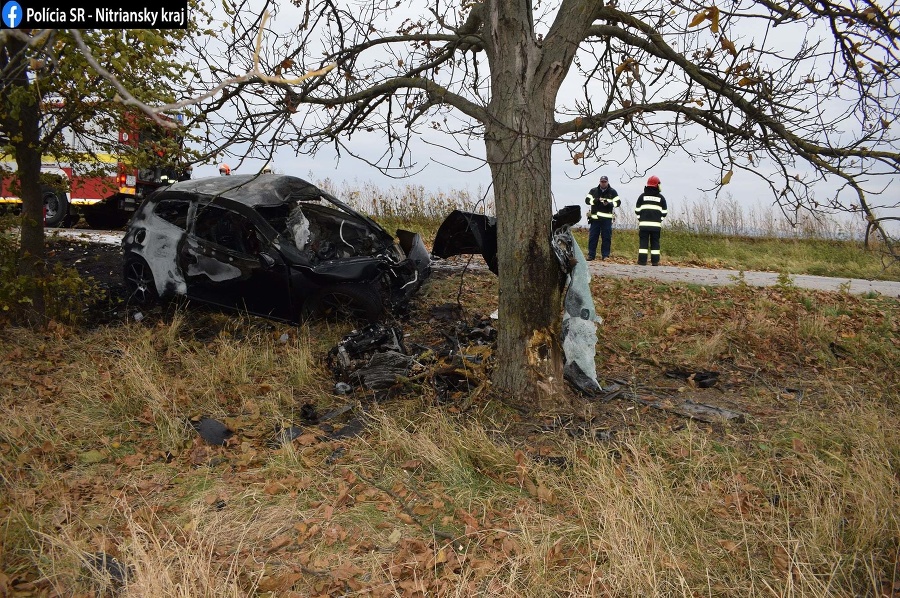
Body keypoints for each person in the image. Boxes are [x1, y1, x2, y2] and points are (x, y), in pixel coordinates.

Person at [584, 175, 620, 260]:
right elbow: (587, 201)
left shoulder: (612, 192)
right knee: (593, 237)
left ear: (607, 182)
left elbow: (618, 203)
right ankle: (591, 255)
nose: (603, 183)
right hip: (595, 219)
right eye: (602, 182)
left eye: (605, 182)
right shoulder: (593, 191)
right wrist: (596, 200)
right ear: (599, 182)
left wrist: (609, 204)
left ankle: (605, 255)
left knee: (606, 238)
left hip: (606, 219)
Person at [634, 175, 668, 265]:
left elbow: (637, 210)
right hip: (656, 226)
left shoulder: (642, 197)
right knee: (655, 244)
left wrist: (640, 219)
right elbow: (664, 212)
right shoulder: (661, 198)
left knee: (643, 244)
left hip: (644, 226)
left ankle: (642, 261)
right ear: (657, 185)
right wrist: (659, 220)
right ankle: (655, 262)